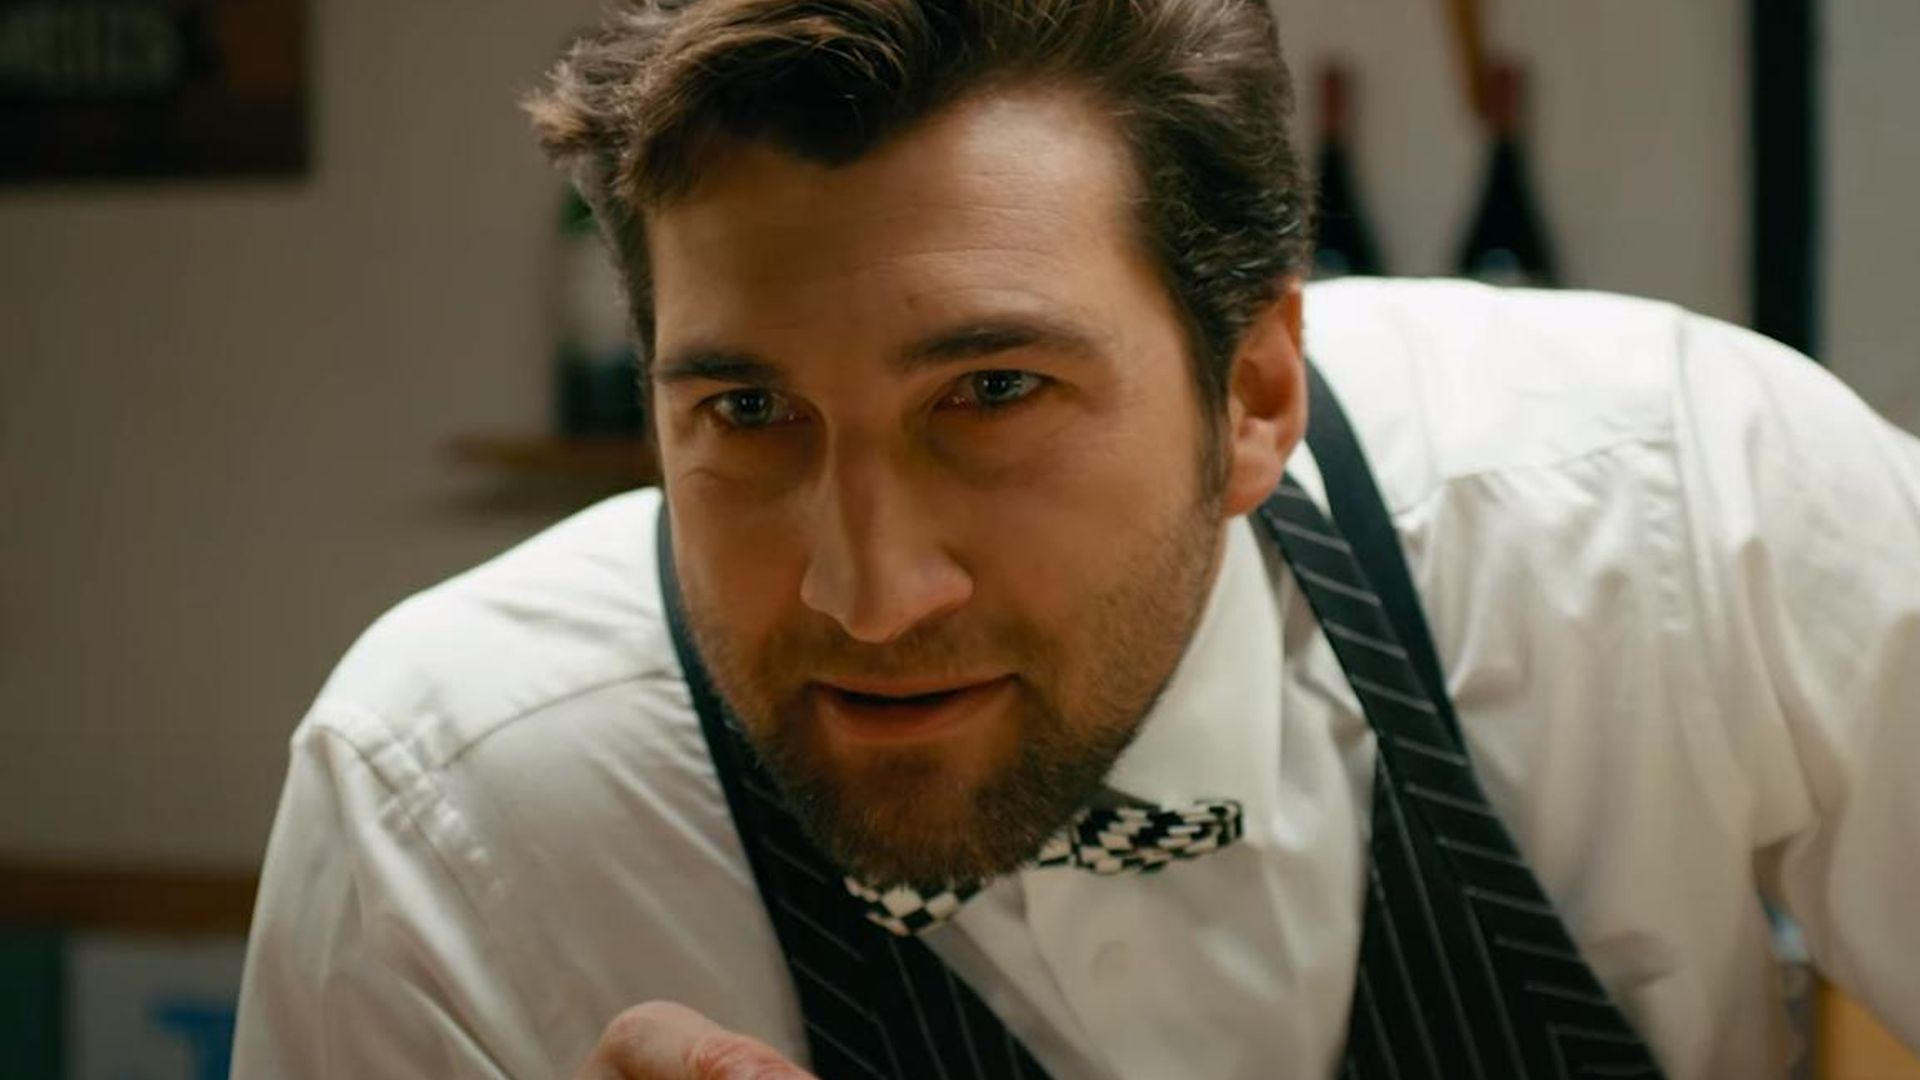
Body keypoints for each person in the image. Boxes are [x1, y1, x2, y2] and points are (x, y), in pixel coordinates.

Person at [231, 0, 1920, 1077]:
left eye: (993, 394)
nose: (870, 594)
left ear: (1253, 389)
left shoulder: (1674, 508)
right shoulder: (448, 804)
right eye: (745, 412)